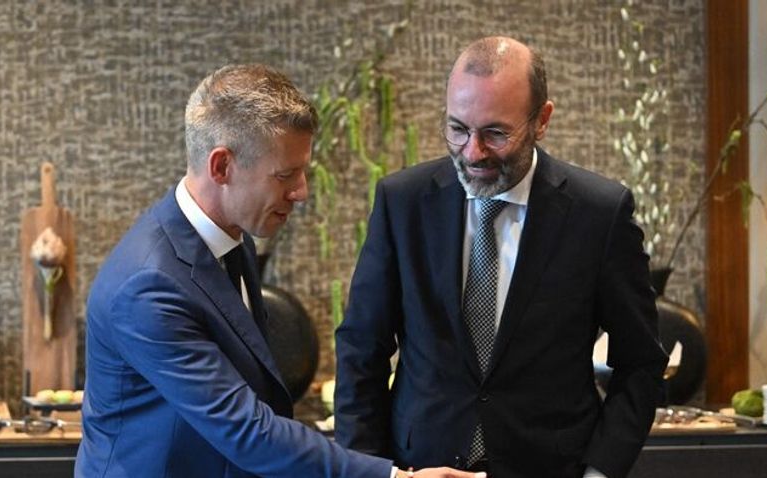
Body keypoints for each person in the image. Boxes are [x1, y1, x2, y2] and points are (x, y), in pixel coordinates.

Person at [76, 64, 480, 478]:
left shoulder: (235, 242)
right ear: (221, 167)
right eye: (285, 175)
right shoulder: (148, 286)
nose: (302, 191)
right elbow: (246, 429)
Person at [334, 37, 668, 478]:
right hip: (421, 467)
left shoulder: (599, 214)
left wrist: (599, 473)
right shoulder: (403, 202)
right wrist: (367, 470)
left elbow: (640, 361)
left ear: (542, 120)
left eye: (495, 133)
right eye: (457, 129)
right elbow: (362, 350)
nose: (473, 153)